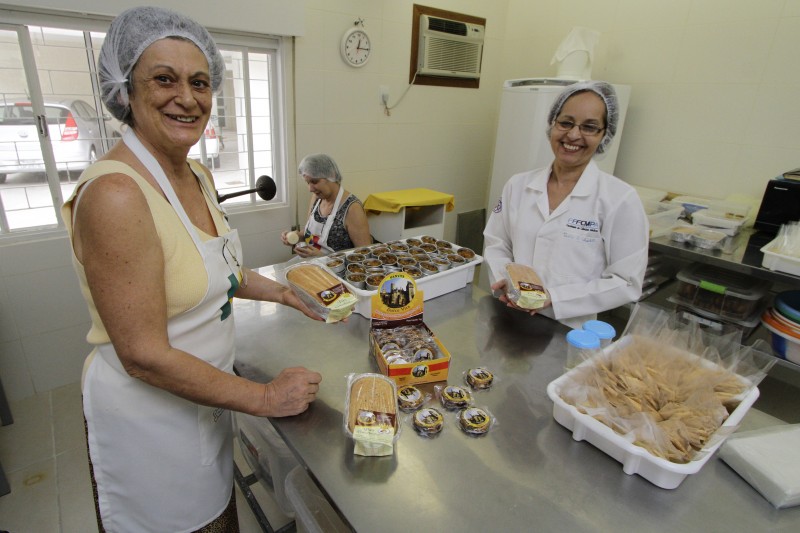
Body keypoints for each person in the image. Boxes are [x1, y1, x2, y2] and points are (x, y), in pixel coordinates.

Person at [60, 7, 323, 532]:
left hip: (202, 400)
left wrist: (284, 291)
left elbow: (217, 270)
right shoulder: (116, 194)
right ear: (124, 90)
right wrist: (266, 398)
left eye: (200, 82)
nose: (187, 97)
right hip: (149, 422)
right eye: (164, 79)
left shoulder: (193, 173)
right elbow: (144, 356)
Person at [483, 80, 649, 329]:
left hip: (569, 330)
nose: (573, 135)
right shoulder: (518, 185)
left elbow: (626, 281)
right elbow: (497, 243)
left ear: (605, 134)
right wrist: (506, 283)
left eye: (590, 127)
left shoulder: (619, 199)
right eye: (566, 122)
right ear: (552, 124)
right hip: (509, 314)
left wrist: (554, 299)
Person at [281, 153, 371, 257]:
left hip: (338, 271)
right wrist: (296, 236)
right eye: (308, 183)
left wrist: (324, 258)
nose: (310, 189)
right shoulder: (316, 199)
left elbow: (365, 255)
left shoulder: (352, 208)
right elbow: (309, 236)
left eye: (314, 181)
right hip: (313, 264)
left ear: (331, 176)